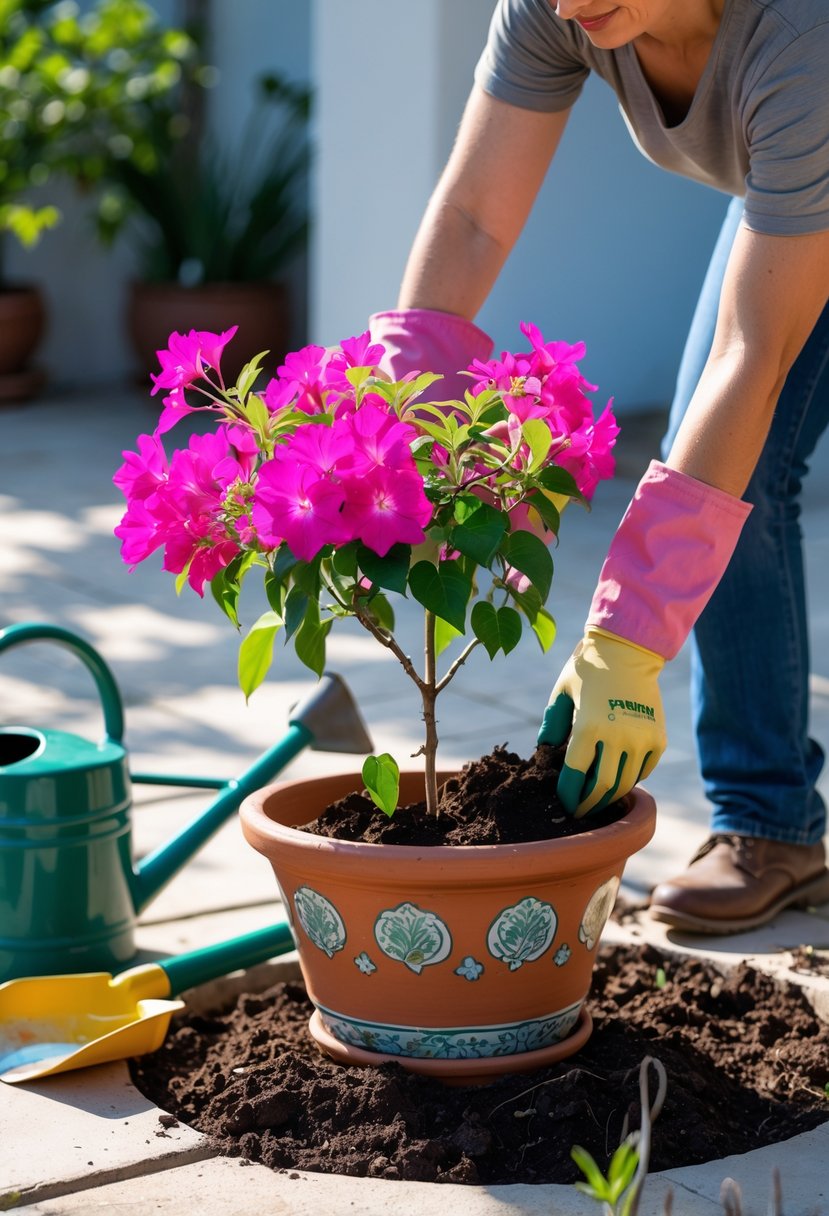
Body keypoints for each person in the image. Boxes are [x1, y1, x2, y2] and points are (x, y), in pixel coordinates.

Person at [368, 0, 829, 934]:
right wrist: (412, 433)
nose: (571, 1)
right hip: (798, 196)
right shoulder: (556, 7)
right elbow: (469, 220)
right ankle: (770, 822)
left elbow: (753, 349)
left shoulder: (798, 40)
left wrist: (632, 634)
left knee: (725, 451)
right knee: (716, 474)